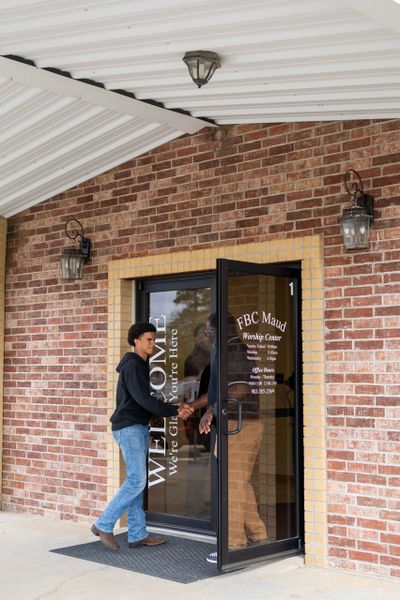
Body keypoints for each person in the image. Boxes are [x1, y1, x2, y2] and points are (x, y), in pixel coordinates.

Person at [91, 321, 193, 550]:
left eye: (154, 339)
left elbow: (143, 402)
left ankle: (137, 534)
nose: (153, 343)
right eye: (148, 339)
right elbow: (143, 400)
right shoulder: (133, 365)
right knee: (137, 481)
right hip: (129, 428)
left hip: (136, 427)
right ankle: (103, 524)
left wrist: (171, 409)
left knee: (136, 483)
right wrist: (175, 410)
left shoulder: (139, 365)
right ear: (136, 341)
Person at [191, 313, 267, 563]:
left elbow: (239, 389)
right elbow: (219, 393)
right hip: (242, 423)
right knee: (239, 483)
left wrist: (212, 411)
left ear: (222, 329)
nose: (207, 335)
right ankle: (258, 535)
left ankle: (233, 545)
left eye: (209, 331)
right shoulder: (229, 350)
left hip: (239, 425)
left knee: (231, 486)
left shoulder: (234, 350)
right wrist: (193, 406)